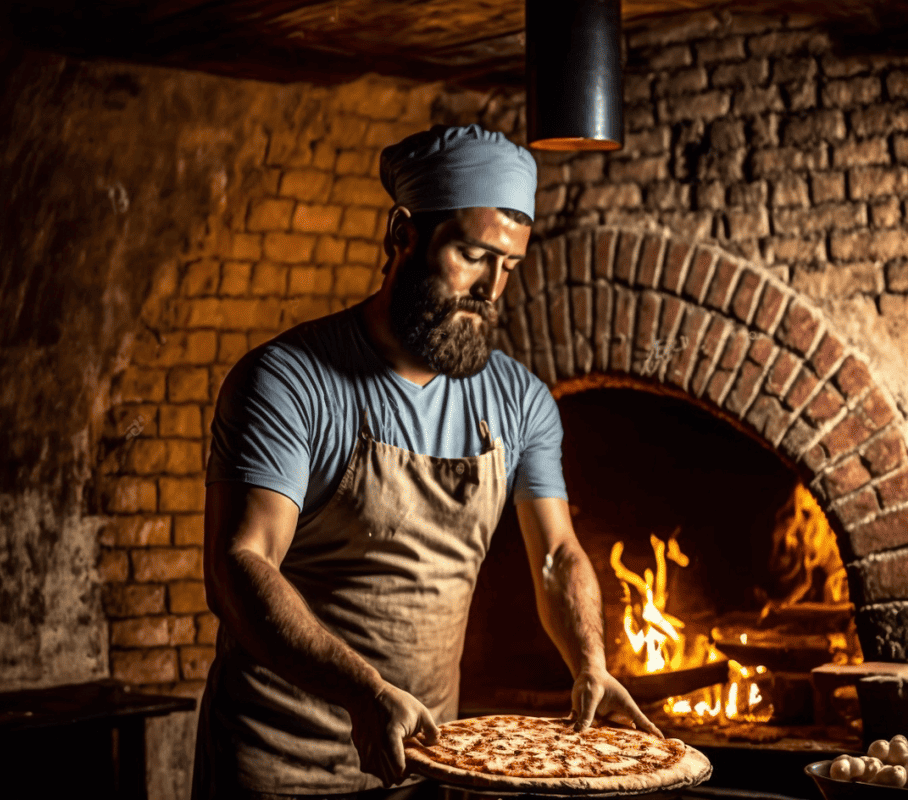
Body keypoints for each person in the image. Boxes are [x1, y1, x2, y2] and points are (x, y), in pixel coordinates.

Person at [193, 124, 660, 800]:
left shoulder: (520, 400)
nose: (490, 288)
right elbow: (239, 566)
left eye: (509, 266)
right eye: (472, 255)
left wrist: (590, 663)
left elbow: (557, 555)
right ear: (403, 233)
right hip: (279, 765)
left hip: (426, 761)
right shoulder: (289, 381)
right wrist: (363, 691)